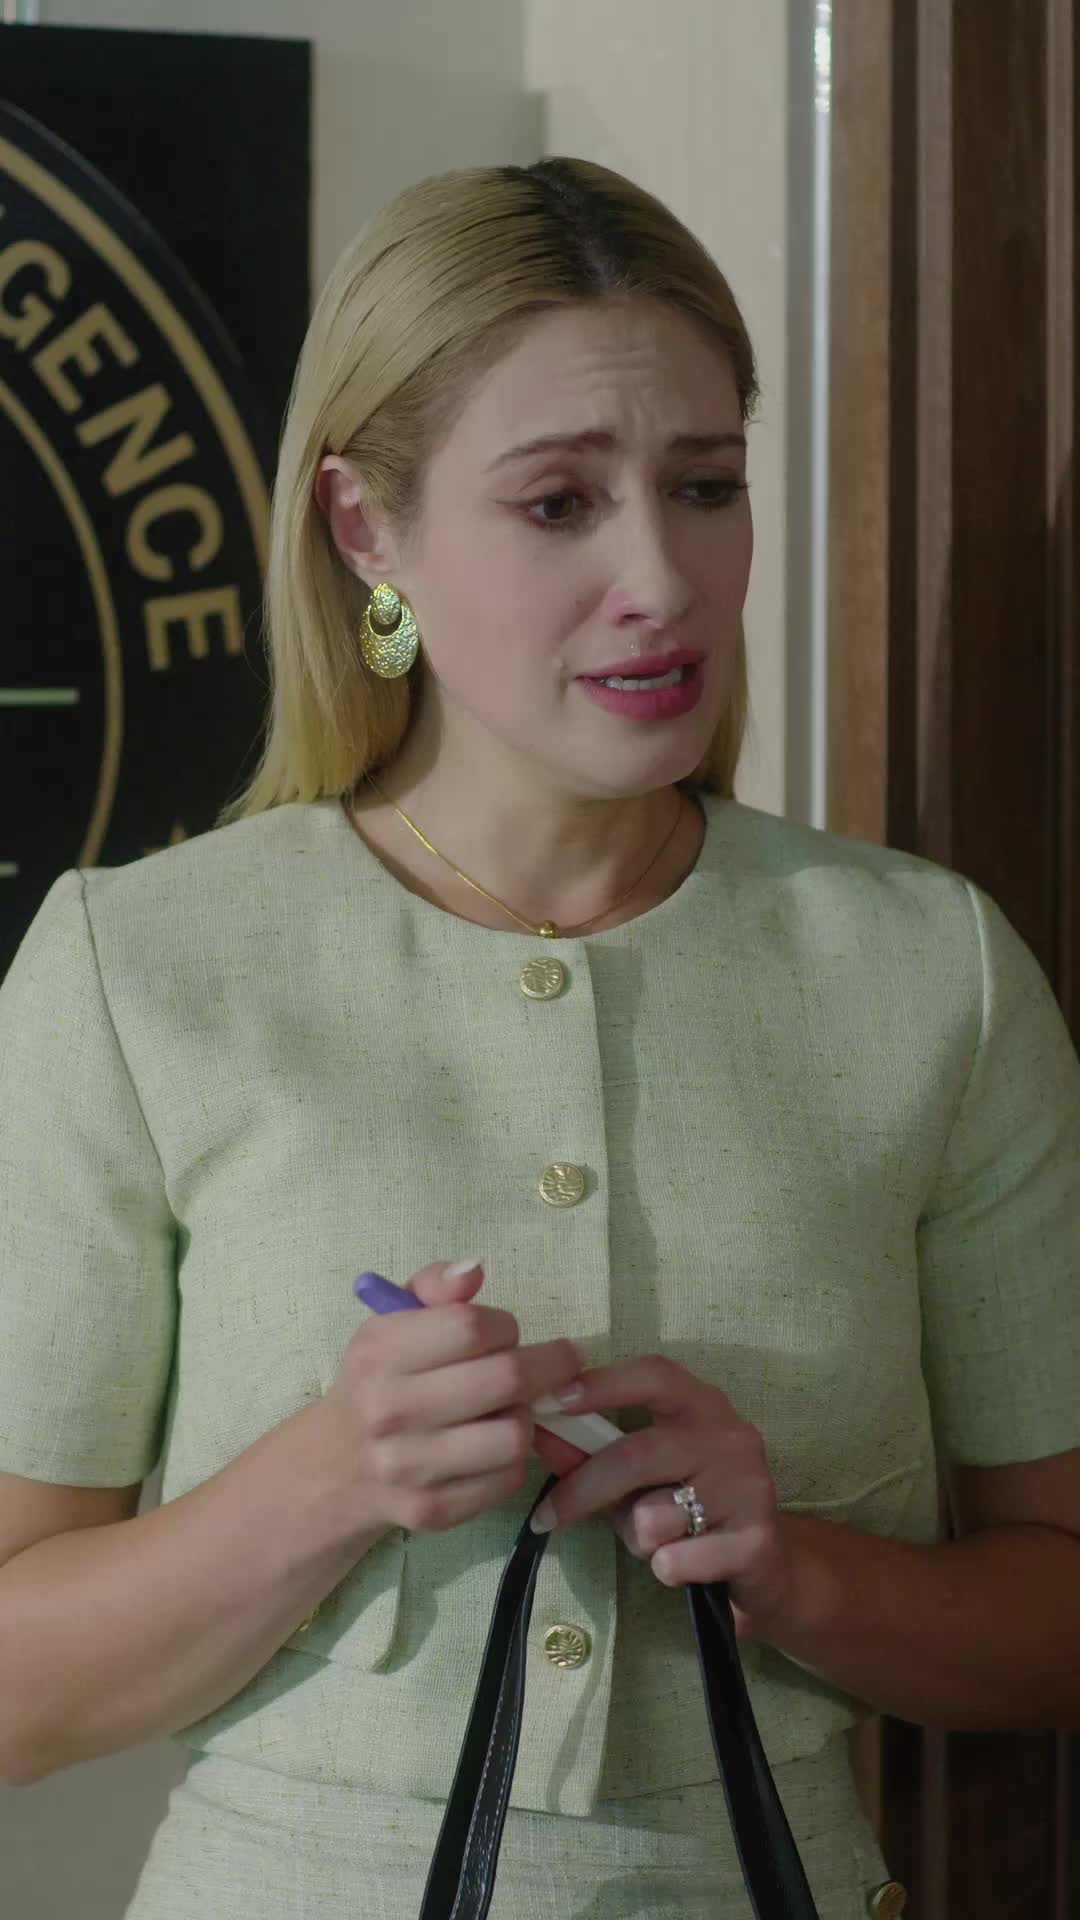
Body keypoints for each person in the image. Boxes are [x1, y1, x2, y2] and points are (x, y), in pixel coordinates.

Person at [0, 156, 1078, 1920]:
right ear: (367, 530)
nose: (662, 577)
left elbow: (1057, 1621)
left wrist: (797, 1571)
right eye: (560, 502)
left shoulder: (930, 973)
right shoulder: (138, 974)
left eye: (705, 486)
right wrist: (327, 1478)